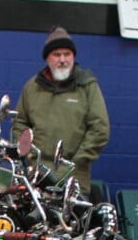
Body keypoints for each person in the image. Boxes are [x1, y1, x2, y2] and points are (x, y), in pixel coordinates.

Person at [13, 26, 110, 193]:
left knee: (72, 219)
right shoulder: (32, 87)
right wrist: (29, 156)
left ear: (73, 57)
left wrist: (77, 162)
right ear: (47, 58)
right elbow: (20, 123)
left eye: (67, 54)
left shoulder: (87, 86)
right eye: (57, 55)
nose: (63, 59)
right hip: (36, 177)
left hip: (75, 180)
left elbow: (100, 128)